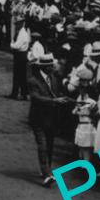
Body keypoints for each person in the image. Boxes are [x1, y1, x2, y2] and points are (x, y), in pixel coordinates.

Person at [28, 53, 71, 184]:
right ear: (43, 67)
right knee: (42, 145)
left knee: (50, 145)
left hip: (52, 118)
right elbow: (35, 97)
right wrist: (54, 100)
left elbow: (58, 93)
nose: (52, 68)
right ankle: (47, 174)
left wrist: (64, 98)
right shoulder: (33, 81)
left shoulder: (54, 78)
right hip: (38, 118)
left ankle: (46, 169)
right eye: (50, 66)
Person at [9, 19, 31, 100]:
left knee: (20, 75)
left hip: (21, 55)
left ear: (21, 24)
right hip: (20, 55)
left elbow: (17, 46)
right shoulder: (20, 32)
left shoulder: (23, 34)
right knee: (20, 75)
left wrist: (11, 44)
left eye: (18, 24)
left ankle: (21, 93)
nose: (16, 25)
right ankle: (19, 93)